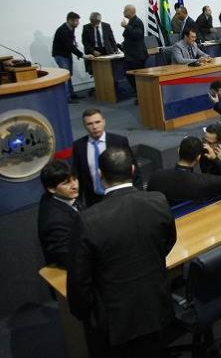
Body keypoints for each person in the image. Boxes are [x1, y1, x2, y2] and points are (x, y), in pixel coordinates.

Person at [67, 147, 176, 357]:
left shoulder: (87, 220)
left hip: (116, 321)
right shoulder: (158, 200)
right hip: (156, 305)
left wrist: (87, 316)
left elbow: (79, 282)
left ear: (100, 174)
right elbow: (169, 242)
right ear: (133, 170)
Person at [72, 108, 141, 206]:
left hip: (119, 196)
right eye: (89, 124)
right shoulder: (78, 146)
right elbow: (78, 175)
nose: (94, 127)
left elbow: (133, 168)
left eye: (97, 122)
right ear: (84, 126)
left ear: (104, 122)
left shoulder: (119, 141)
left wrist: (138, 192)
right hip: (93, 200)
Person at [148, 136, 221, 206]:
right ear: (198, 157)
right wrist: (215, 159)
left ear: (179, 151)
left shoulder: (156, 176)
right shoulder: (203, 181)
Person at [38, 160, 82, 267]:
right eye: (66, 183)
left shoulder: (63, 196)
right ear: (51, 189)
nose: (74, 186)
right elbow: (66, 257)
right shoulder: (55, 220)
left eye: (75, 179)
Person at [52, 11, 84, 103]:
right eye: (76, 21)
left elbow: (71, 44)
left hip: (66, 54)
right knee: (65, 77)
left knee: (69, 75)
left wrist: (77, 52)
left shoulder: (71, 28)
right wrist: (82, 55)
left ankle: (72, 94)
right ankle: (67, 98)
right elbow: (70, 46)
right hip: (60, 55)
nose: (78, 23)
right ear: (70, 20)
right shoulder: (63, 30)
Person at [121, 4, 147, 102]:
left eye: (125, 10)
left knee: (137, 77)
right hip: (131, 55)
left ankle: (141, 95)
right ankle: (138, 94)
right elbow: (129, 37)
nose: (123, 12)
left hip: (137, 56)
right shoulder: (131, 21)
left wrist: (126, 26)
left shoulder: (137, 21)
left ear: (131, 11)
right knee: (129, 74)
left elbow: (137, 35)